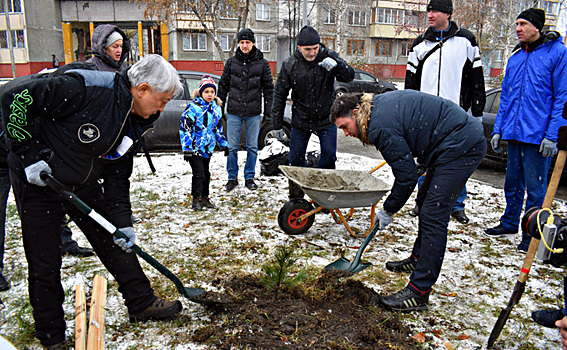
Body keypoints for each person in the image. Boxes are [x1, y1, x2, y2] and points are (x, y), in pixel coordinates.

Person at [0, 54, 183, 349]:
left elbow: (117, 174)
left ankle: (141, 302)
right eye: (161, 100)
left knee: (113, 238)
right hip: (41, 181)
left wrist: (123, 223)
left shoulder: (135, 118)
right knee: (45, 260)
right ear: (143, 89)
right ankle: (52, 335)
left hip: (81, 181)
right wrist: (29, 156)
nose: (162, 108)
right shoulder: (86, 88)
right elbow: (14, 98)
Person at [330, 90, 486, 312]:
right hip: (448, 142)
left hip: (462, 146)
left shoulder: (379, 127)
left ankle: (419, 292)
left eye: (345, 126)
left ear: (356, 113)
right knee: (424, 202)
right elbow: (417, 127)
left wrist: (389, 209)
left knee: (434, 214)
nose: (345, 134)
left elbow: (406, 177)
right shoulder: (375, 110)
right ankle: (418, 257)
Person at [484, 8, 567, 253]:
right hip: (514, 132)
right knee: (512, 183)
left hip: (538, 135)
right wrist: (498, 129)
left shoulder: (557, 53)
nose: (518, 28)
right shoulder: (517, 57)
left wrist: (553, 135)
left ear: (537, 27)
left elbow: (562, 98)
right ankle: (509, 222)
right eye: (517, 24)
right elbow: (507, 97)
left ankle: (531, 231)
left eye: (523, 24)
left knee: (536, 188)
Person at [405, 0, 486, 225]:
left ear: (448, 14)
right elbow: (410, 81)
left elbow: (477, 78)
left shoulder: (466, 40)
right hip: (426, 115)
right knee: (426, 159)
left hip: (456, 114)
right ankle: (422, 201)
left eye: (436, 11)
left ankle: (457, 205)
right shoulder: (420, 43)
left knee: (455, 160)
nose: (430, 15)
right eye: (429, 10)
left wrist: (476, 111)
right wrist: (410, 111)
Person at [271, 25, 354, 198]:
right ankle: (296, 197)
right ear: (299, 47)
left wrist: (337, 66)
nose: (312, 53)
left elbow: (349, 76)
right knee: (295, 160)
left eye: (315, 48)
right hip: (301, 119)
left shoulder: (329, 57)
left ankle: (324, 195)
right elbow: (279, 95)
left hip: (326, 118)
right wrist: (277, 124)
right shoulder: (290, 65)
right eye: (307, 49)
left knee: (329, 156)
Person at [217, 28, 273, 191]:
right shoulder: (231, 63)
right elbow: (223, 86)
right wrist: (219, 109)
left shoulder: (262, 64)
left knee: (252, 147)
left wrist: (269, 112)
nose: (245, 45)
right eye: (242, 42)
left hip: (253, 113)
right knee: (232, 147)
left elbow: (269, 88)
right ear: (239, 44)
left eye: (247, 42)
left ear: (253, 43)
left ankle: (249, 177)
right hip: (234, 111)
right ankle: (232, 178)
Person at [180, 75, 228, 211]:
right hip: (194, 147)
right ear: (201, 93)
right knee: (199, 173)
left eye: (212, 92)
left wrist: (224, 144)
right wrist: (187, 147)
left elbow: (218, 129)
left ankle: (205, 198)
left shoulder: (216, 109)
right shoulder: (193, 108)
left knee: (206, 173)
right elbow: (185, 128)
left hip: (207, 148)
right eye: (206, 92)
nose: (210, 94)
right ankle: (196, 199)